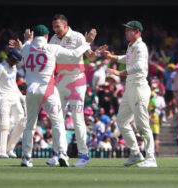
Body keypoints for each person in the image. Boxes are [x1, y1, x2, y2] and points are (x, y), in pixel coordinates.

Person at [10, 24, 91, 167]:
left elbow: (25, 47)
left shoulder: (27, 48)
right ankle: (62, 154)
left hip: (31, 90)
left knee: (30, 125)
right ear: (47, 36)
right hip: (48, 89)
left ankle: (26, 158)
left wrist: (27, 40)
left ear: (34, 36)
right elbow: (73, 54)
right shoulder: (51, 48)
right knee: (58, 122)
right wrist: (87, 43)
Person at [47, 14, 101, 167]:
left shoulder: (77, 37)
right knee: (57, 118)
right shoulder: (53, 39)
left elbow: (91, 57)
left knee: (77, 118)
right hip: (60, 81)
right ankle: (57, 154)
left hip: (76, 80)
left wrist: (96, 51)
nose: (55, 30)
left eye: (58, 27)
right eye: (54, 27)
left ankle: (83, 155)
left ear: (66, 25)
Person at [102, 20, 157, 167]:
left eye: (129, 30)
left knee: (142, 125)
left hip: (139, 88)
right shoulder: (131, 46)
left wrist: (119, 72)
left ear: (137, 32)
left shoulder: (141, 46)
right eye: (126, 30)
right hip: (130, 88)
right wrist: (112, 57)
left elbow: (139, 66)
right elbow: (127, 59)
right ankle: (135, 153)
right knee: (121, 121)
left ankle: (151, 158)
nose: (126, 32)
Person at [0, 49, 26, 158]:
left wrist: (20, 97)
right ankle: (1, 152)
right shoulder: (0, 68)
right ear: (10, 57)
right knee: (4, 124)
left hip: (14, 96)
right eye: (15, 61)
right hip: (3, 97)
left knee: (22, 122)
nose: (16, 63)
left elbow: (13, 84)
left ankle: (9, 149)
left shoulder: (13, 67)